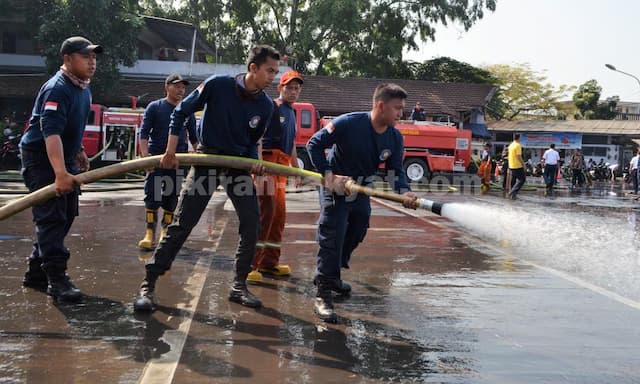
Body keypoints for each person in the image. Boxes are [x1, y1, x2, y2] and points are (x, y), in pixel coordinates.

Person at [133, 45, 280, 312]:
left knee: (251, 222)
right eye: (269, 71)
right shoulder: (217, 85)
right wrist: (169, 151)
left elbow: (251, 142)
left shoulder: (266, 106)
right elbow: (181, 112)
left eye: (276, 72)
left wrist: (254, 164)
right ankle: (148, 283)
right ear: (253, 68)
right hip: (206, 162)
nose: (274, 77)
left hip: (236, 166)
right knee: (182, 224)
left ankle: (238, 285)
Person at [306, 83, 418, 322]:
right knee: (332, 233)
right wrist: (328, 176)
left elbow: (396, 171)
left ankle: (333, 274)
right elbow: (314, 144)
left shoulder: (394, 137)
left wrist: (405, 192)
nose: (401, 114)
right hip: (337, 184)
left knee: (358, 228)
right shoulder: (349, 123)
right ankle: (323, 292)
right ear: (381, 105)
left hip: (362, 187)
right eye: (397, 108)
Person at [19, 36, 102, 301]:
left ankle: (36, 273)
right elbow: (51, 133)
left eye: (94, 57)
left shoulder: (83, 88)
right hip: (41, 159)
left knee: (66, 214)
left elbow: (71, 127)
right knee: (52, 216)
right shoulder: (57, 88)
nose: (92, 62)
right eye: (85, 56)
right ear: (67, 59)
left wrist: (78, 151)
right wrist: (59, 174)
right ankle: (57, 280)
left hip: (63, 158)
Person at [247, 70, 303, 282]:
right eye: (289, 87)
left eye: (297, 88)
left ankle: (269, 263)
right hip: (269, 164)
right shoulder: (272, 107)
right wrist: (259, 162)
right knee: (265, 212)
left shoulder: (292, 113)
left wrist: (296, 170)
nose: (293, 91)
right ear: (281, 88)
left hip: (282, 167)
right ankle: (251, 264)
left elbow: (293, 145)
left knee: (278, 216)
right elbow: (257, 136)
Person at [137, 74, 198, 250]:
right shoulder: (155, 107)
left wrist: (202, 155)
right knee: (153, 195)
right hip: (156, 159)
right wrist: (146, 157)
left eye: (182, 87)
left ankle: (165, 229)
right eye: (176, 86)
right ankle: (149, 232)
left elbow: (194, 138)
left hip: (178, 161)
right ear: (167, 86)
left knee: (172, 197)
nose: (180, 90)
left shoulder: (187, 111)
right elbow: (144, 133)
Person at [507, 133, 526, 200]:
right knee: (522, 179)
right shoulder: (518, 145)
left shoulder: (511, 145)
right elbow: (519, 156)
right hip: (517, 165)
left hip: (511, 165)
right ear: (519, 138)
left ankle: (513, 195)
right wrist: (523, 164)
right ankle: (512, 192)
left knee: (513, 180)